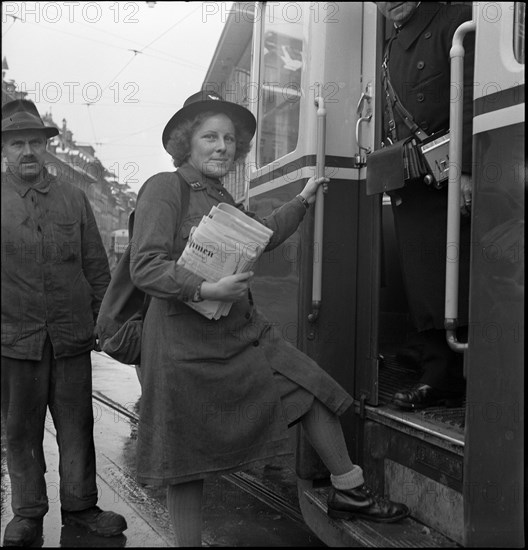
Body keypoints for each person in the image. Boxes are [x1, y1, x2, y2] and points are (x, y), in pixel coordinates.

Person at [129, 90, 409, 546]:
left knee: (312, 386)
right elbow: (144, 265)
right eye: (209, 137)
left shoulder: (219, 194)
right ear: (187, 142)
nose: (222, 147)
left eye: (229, 139)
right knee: (186, 460)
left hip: (238, 336)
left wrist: (302, 199)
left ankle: (349, 490)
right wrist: (203, 288)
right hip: (183, 347)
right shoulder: (165, 187)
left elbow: (259, 237)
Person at [1, 99, 127, 547]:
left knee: (77, 424)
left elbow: (97, 266)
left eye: (36, 142)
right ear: (5, 150)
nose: (28, 151)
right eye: (17, 144)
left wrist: (104, 318)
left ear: (47, 147)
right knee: (20, 429)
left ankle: (81, 506)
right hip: (15, 338)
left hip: (72, 334)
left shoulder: (73, 198)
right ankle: (27, 513)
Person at [374, 2, 474, 410]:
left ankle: (449, 374)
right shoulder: (387, 49)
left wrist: (468, 168)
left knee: (454, 272)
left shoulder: (456, 19)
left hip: (451, 175)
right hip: (411, 178)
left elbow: (473, 93)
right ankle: (435, 360)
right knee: (423, 276)